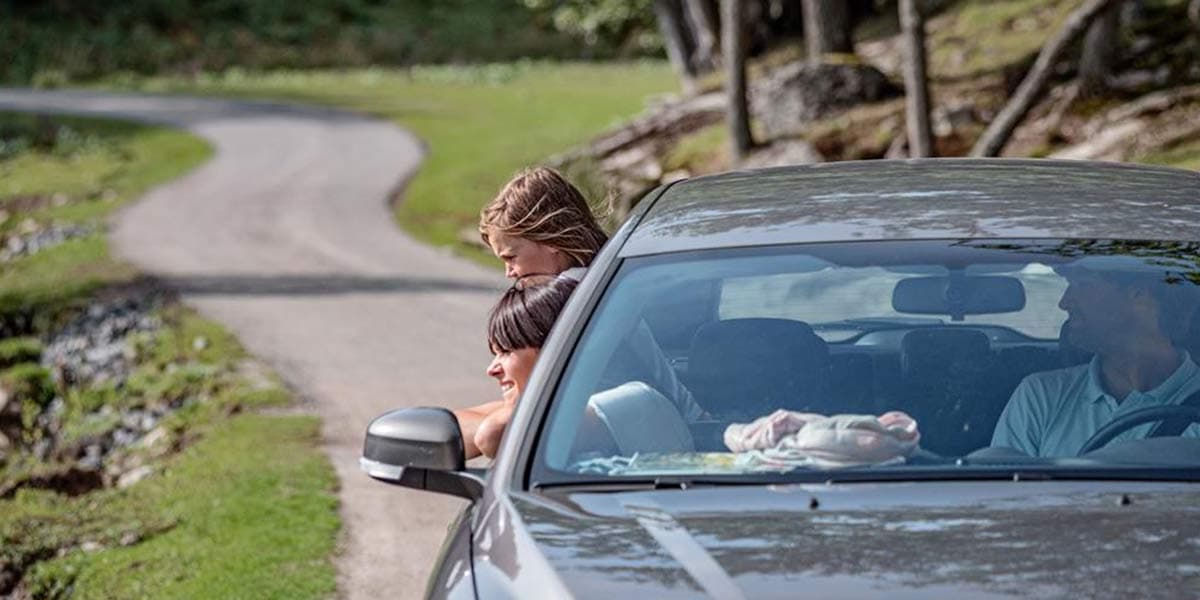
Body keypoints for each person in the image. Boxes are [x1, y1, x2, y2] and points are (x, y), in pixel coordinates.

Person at [479, 166, 708, 422]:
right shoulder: (604, 280)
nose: (508, 272)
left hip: (670, 424)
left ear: (551, 239)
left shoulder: (577, 296)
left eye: (511, 257)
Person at [991, 263, 1200, 457]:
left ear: (1139, 293)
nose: (1064, 302)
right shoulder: (1039, 396)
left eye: (1082, 284)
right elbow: (1002, 492)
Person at [455, 274, 578, 459]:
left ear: (554, 349)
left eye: (506, 351)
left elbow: (491, 435)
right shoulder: (541, 406)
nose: (492, 370)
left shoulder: (621, 400)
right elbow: (448, 426)